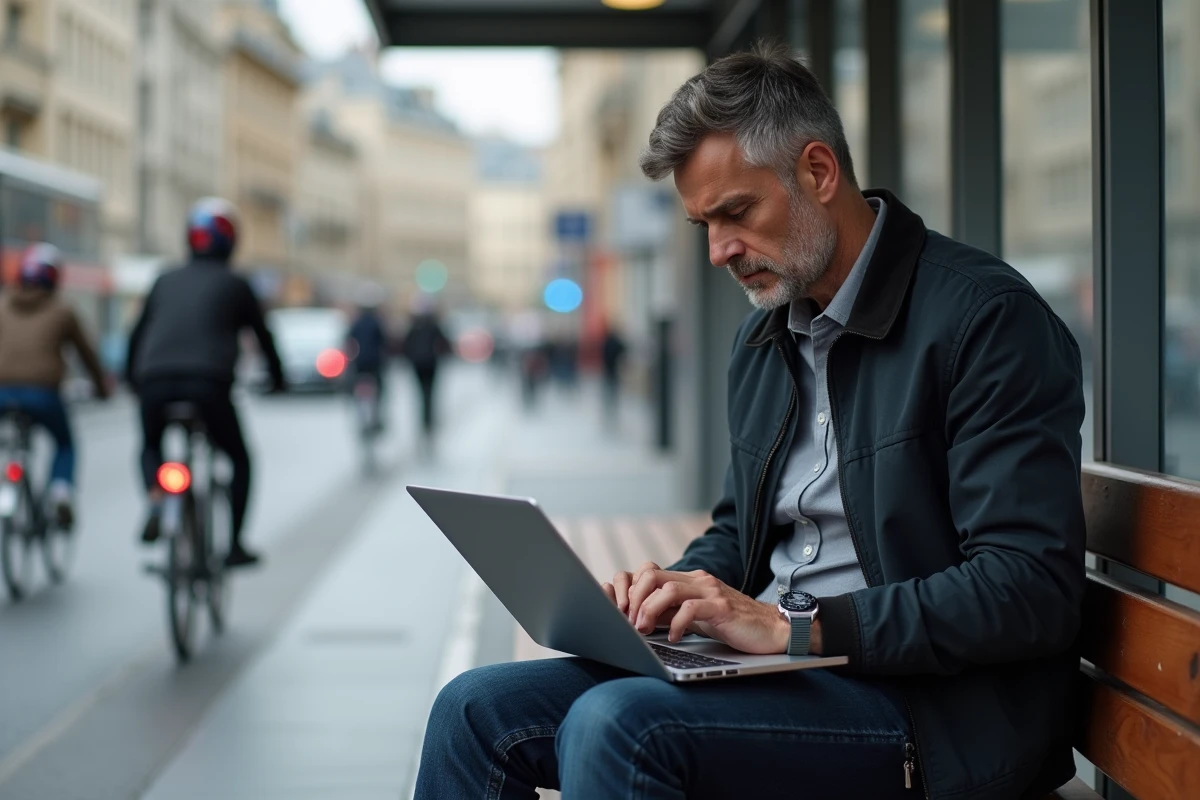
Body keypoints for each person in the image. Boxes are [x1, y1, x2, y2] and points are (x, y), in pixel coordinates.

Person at [415, 44, 1086, 800]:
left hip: (932, 714)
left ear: (818, 172)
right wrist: (675, 591)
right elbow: (740, 531)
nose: (719, 251)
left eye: (736, 213)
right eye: (703, 223)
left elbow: (1030, 588)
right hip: (792, 670)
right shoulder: (766, 335)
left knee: (618, 723)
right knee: (472, 709)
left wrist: (796, 626)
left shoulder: (985, 321)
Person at [126, 197, 285, 568]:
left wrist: (134, 381)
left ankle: (156, 494)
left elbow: (138, 335)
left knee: (151, 445)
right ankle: (234, 545)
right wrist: (278, 381)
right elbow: (264, 338)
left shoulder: (164, 279)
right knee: (240, 459)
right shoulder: (236, 284)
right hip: (208, 385)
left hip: (155, 381)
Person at [0, 244, 110, 528]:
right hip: (43, 395)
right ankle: (60, 490)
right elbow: (86, 355)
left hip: (2, 393)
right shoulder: (62, 310)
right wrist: (102, 387)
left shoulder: (2, 305)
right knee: (64, 443)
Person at [400, 300, 450, 452]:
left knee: (421, 395)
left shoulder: (414, 326)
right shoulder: (433, 325)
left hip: (418, 366)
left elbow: (405, 345)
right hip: (430, 365)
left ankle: (425, 424)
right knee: (429, 396)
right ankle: (428, 424)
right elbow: (445, 343)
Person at [346, 288, 390, 431]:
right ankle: (376, 416)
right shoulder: (377, 323)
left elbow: (348, 341)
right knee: (381, 389)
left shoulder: (356, 323)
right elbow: (385, 343)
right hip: (375, 363)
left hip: (360, 364)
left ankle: (361, 414)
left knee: (356, 390)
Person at [600, 325, 627, 427]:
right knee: (613, 393)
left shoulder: (606, 343)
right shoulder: (616, 343)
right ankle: (612, 412)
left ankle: (609, 413)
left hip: (607, 371)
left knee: (608, 394)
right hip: (614, 371)